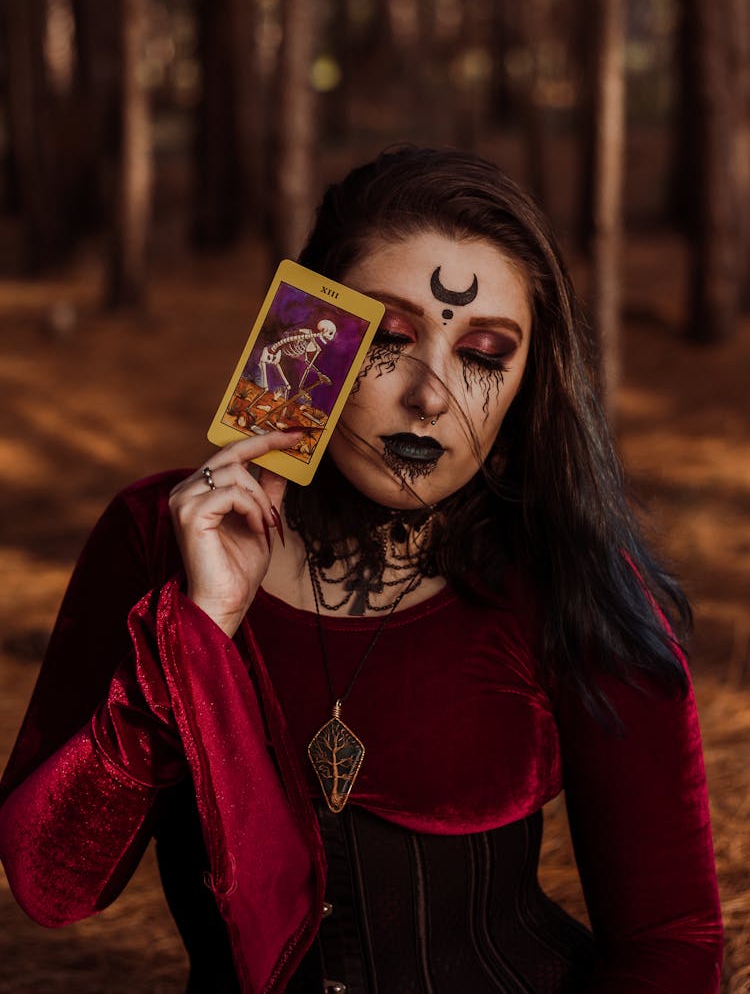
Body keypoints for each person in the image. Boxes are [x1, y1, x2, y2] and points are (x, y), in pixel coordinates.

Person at [0, 147, 723, 993]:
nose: (431, 393)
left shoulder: (564, 571)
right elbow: (54, 884)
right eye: (391, 337)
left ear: (529, 384)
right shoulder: (155, 535)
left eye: (485, 353)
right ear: (315, 334)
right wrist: (194, 632)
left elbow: (674, 938)